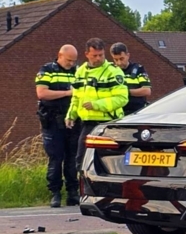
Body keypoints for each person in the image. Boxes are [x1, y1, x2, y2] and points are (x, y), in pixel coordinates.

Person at [65, 38, 129, 176]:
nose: (98, 58)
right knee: (81, 161)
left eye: (101, 55)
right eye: (95, 55)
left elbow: (122, 98)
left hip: (109, 123)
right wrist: (71, 115)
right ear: (86, 54)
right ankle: (84, 193)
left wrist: (96, 105)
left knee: (111, 163)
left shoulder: (113, 71)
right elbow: (76, 97)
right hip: (88, 123)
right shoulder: (80, 71)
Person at [35, 45, 80, 207]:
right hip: (52, 120)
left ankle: (73, 192)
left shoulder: (78, 71)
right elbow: (42, 93)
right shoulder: (47, 70)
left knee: (72, 158)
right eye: (69, 60)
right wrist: (68, 93)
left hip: (74, 121)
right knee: (56, 158)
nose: (71, 64)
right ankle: (55, 193)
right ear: (59, 55)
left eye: (74, 61)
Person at [109, 42, 151, 115]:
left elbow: (146, 91)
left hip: (136, 113)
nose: (119, 63)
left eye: (122, 59)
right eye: (115, 59)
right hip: (117, 113)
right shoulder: (110, 70)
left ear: (128, 55)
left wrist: (125, 92)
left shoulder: (138, 69)